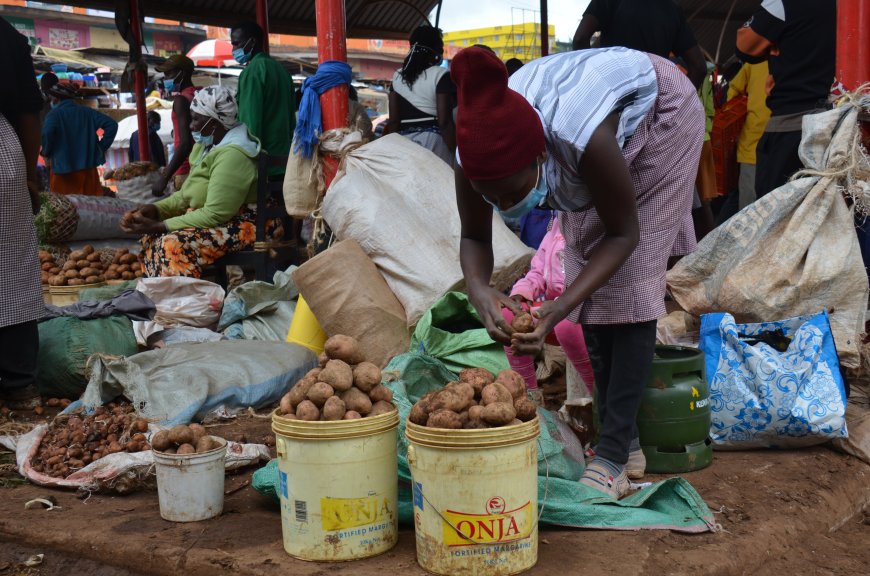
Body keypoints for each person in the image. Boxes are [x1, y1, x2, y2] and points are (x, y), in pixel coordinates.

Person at [451, 47, 703, 497]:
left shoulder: (581, 138)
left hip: (662, 114)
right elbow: (474, 237)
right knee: (584, 256)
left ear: (539, 158)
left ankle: (612, 456)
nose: (506, 209)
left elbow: (624, 235)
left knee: (631, 280)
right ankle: (623, 443)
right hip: (592, 124)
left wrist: (561, 306)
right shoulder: (474, 154)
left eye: (512, 194)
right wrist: (478, 288)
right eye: (493, 198)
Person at [120, 86, 267, 278]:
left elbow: (216, 214)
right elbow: (185, 196)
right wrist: (156, 209)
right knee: (151, 236)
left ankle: (188, 303)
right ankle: (167, 299)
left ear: (214, 123)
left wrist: (161, 225)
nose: (191, 126)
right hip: (216, 219)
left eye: (196, 119)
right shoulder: (205, 147)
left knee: (171, 244)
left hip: (245, 224)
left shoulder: (234, 155)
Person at [736, 0, 836, 199]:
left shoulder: (783, 3)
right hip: (837, 124)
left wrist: (775, 43)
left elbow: (744, 46)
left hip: (789, 124)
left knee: (776, 211)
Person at [500, 215, 595, 406]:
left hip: (590, 310)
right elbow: (537, 270)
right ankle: (529, 395)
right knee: (509, 315)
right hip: (553, 312)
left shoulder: (593, 225)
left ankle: (598, 397)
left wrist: (560, 304)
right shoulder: (556, 227)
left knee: (566, 325)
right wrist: (521, 293)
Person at [0, 17, 44, 409]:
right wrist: (30, 176)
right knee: (11, 268)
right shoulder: (8, 36)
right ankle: (19, 383)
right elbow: (30, 111)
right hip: (3, 158)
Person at [572, 0, 706, 89]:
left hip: (613, 101)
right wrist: (679, 103)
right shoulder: (672, 9)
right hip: (651, 105)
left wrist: (595, 83)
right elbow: (699, 67)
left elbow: (580, 39)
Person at [231, 21, 295, 177]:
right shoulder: (282, 70)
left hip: (263, 161)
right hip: (286, 158)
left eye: (236, 43)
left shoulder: (252, 71)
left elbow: (250, 123)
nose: (234, 49)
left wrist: (245, 162)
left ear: (252, 42)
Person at [384, 25, 456, 165]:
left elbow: (393, 121)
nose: (442, 50)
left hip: (405, 144)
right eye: (440, 46)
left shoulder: (397, 77)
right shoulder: (441, 75)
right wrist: (456, 151)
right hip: (434, 143)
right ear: (435, 48)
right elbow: (445, 122)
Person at [716, 61, 771, 223]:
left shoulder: (756, 61)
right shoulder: (757, 61)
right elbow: (734, 88)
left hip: (754, 144)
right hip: (754, 146)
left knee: (752, 210)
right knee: (754, 210)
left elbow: (734, 89)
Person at [41, 83, 117, 196]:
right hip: (88, 169)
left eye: (52, 96)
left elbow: (47, 133)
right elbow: (112, 125)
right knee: (91, 207)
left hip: (63, 172)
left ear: (56, 98)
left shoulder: (54, 115)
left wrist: (46, 151)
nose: (51, 99)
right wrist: (100, 148)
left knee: (66, 209)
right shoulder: (87, 112)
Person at [152, 54, 196, 196]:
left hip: (185, 169)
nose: (166, 79)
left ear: (181, 73)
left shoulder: (181, 100)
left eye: (168, 74)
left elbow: (185, 143)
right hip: (197, 165)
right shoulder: (198, 94)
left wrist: (164, 178)